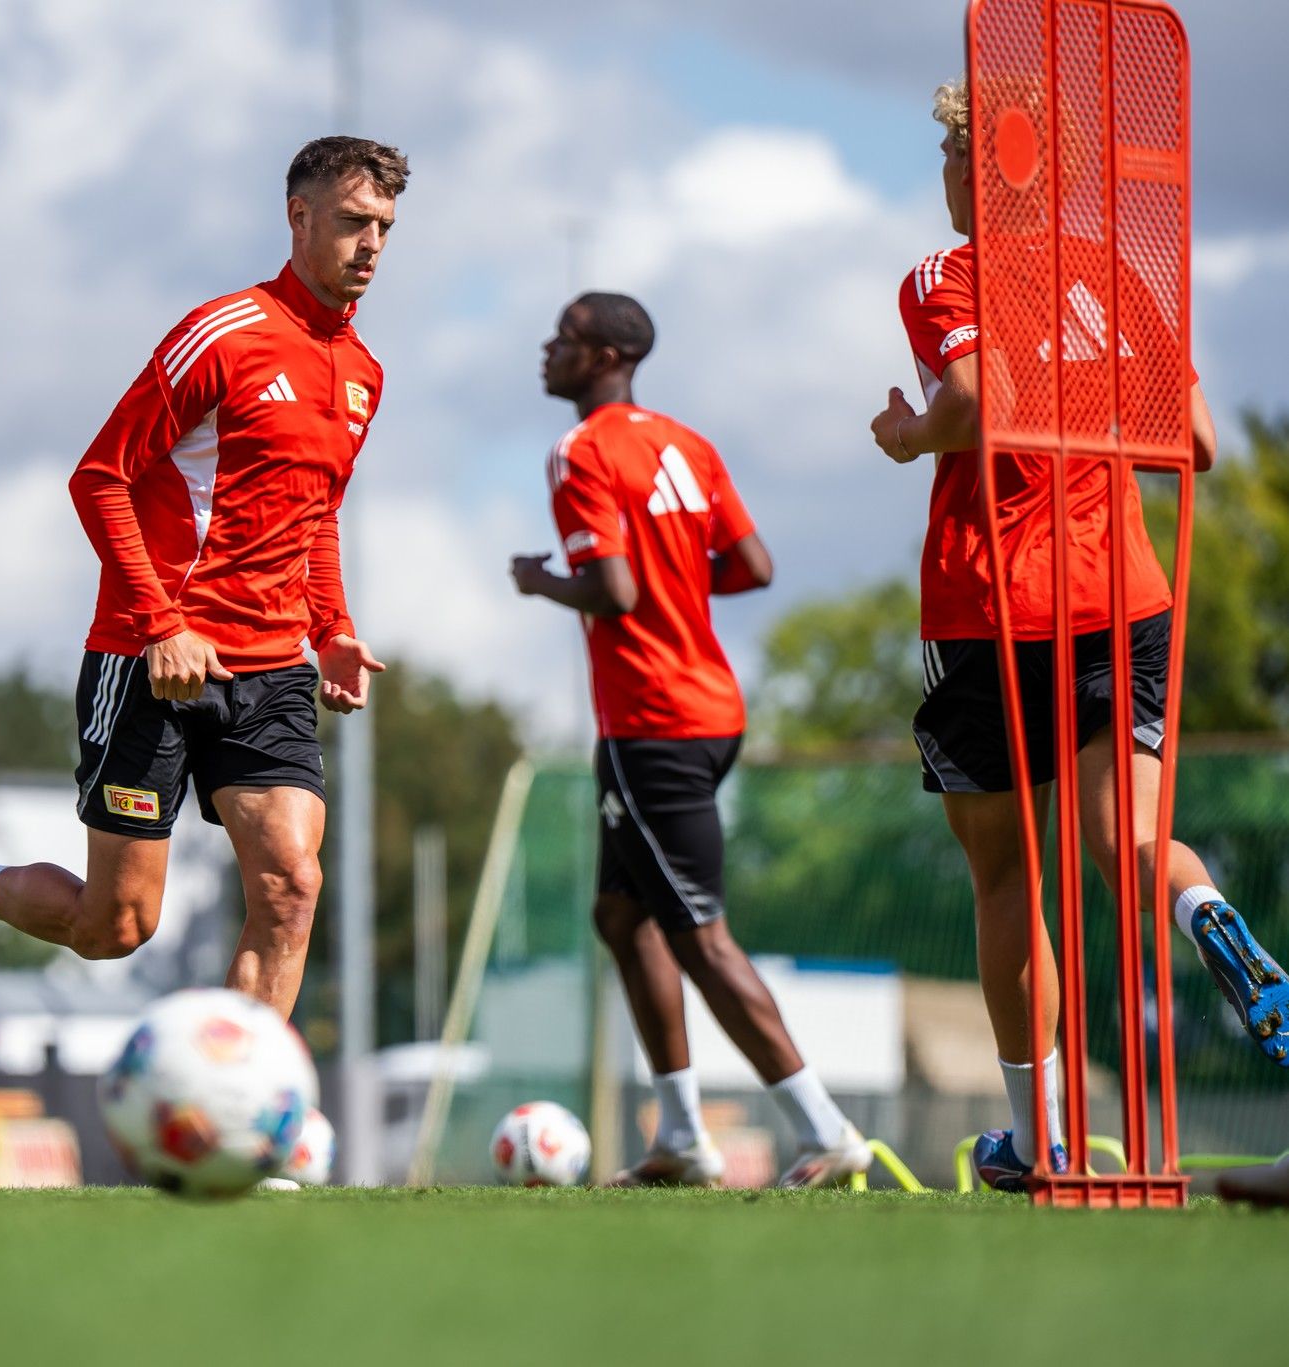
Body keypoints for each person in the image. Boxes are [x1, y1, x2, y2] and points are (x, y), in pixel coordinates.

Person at [869, 78, 1289, 1193]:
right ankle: (1213, 918)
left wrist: (913, 438)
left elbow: (973, 393)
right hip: (1125, 592)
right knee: (1134, 846)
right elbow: (1191, 440)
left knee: (1003, 870)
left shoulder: (943, 275)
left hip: (994, 602)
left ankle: (1035, 1135)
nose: (945, 180)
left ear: (978, 166)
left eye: (951, 159)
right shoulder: (1115, 273)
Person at [0, 137, 405, 1019]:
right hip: (150, 658)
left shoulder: (363, 375)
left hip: (273, 668)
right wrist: (162, 623)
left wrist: (334, 630)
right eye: (354, 222)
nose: (371, 245)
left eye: (385, 227)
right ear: (299, 216)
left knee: (290, 886)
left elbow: (316, 514)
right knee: (117, 923)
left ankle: (245, 1127)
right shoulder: (223, 336)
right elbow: (99, 477)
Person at [511, 293, 872, 1189]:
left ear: (600, 354)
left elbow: (614, 592)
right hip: (711, 709)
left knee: (701, 935)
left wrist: (543, 582)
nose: (546, 350)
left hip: (652, 722)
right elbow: (753, 567)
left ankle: (826, 1129)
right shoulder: (688, 443)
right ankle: (681, 1137)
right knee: (621, 914)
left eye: (562, 338)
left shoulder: (580, 451)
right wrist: (674, 577)